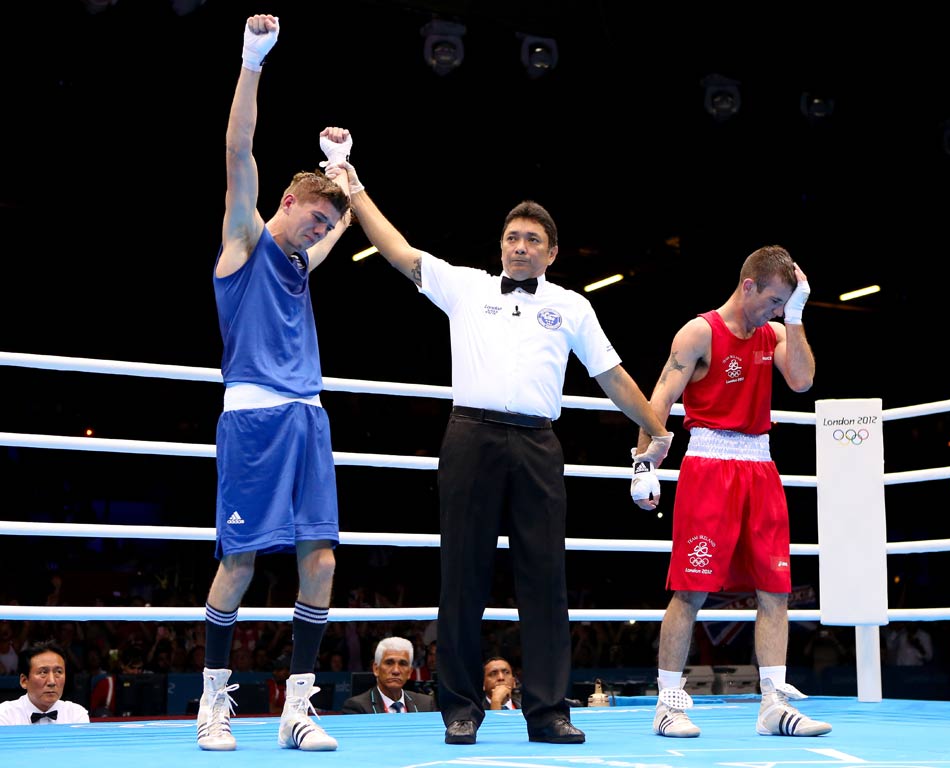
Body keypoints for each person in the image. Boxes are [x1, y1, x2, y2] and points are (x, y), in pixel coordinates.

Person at [327, 155, 673, 746]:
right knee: (463, 577)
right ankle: (460, 708)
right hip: (471, 437)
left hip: (539, 445)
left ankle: (549, 712)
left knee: (546, 581)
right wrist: (352, 185)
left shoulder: (572, 306)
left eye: (532, 240)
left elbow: (612, 375)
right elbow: (397, 250)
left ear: (551, 253)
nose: (519, 247)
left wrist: (657, 428)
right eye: (512, 237)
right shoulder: (467, 286)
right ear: (501, 246)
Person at [195, 13, 354, 753]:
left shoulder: (298, 264)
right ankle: (213, 706)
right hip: (254, 420)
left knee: (320, 558)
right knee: (238, 561)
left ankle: (297, 709)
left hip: (308, 420)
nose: (319, 232)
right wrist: (252, 61)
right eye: (314, 219)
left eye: (326, 227)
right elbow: (237, 150)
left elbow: (342, 224)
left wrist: (344, 174)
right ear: (285, 203)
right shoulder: (244, 240)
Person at [631, 245, 832, 739]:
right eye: (774, 300)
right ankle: (668, 704)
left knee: (776, 589)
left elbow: (803, 381)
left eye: (786, 304)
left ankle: (773, 705)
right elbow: (660, 397)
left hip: (760, 467)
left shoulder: (776, 333)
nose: (777, 310)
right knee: (691, 589)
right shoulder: (700, 332)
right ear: (748, 286)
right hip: (708, 464)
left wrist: (798, 315)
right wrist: (642, 463)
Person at [340, 637, 438, 714]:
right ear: (376, 669)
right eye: (389, 663)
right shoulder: (357, 707)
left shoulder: (426, 704)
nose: (396, 670)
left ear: (409, 672)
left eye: (402, 664)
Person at [0, 642, 89, 725]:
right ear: (24, 681)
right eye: (43, 672)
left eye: (58, 672)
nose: (52, 682)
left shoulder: (76, 714)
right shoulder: (5, 714)